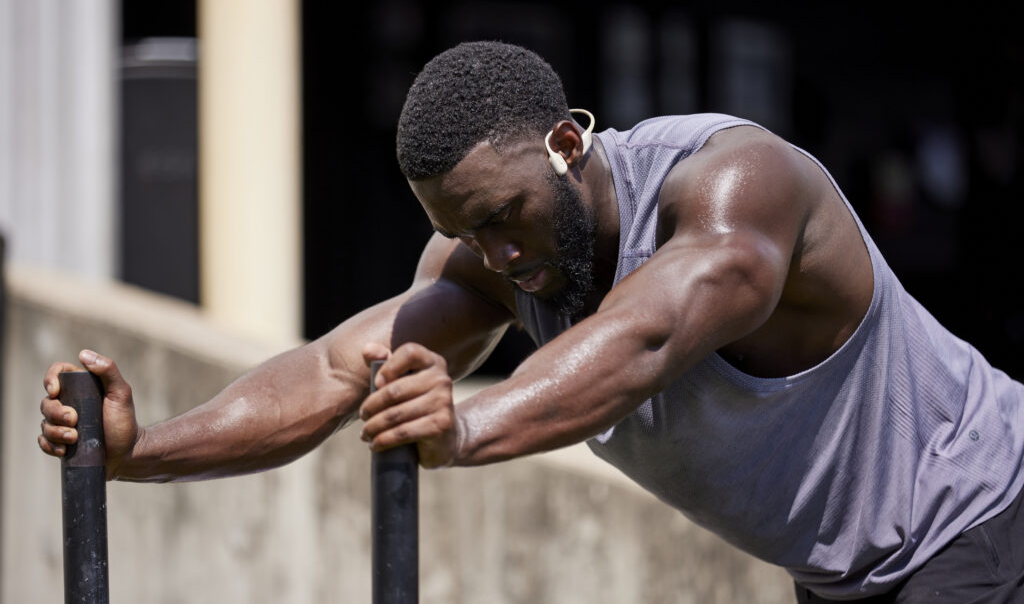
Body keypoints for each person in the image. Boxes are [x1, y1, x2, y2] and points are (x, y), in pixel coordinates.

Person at [39, 41, 1024, 602]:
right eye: (463, 232)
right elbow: (336, 370)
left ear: (565, 143)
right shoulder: (491, 260)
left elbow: (643, 337)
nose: (497, 254)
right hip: (849, 570)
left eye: (505, 217)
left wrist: (464, 427)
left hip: (982, 517)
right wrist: (138, 452)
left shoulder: (735, 187)